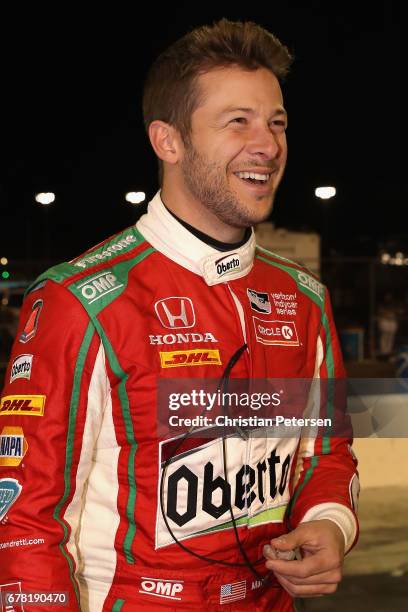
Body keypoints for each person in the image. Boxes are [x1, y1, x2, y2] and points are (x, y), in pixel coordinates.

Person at [0, 19, 359, 611]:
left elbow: (326, 454)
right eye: (236, 121)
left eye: (277, 122)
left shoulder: (304, 299)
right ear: (168, 141)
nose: (267, 144)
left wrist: (330, 523)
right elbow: (23, 521)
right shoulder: (82, 299)